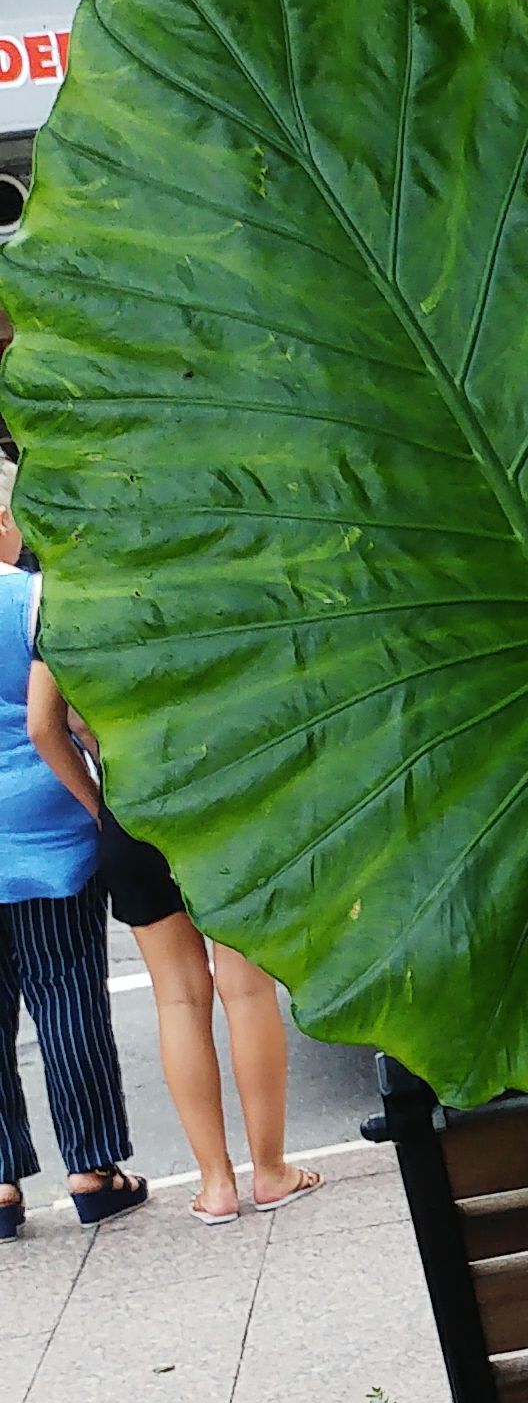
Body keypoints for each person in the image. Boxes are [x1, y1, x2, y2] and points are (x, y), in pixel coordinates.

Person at [25, 669, 318, 1226]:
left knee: (178, 999)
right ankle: (271, 1171)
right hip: (225, 796)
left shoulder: (71, 602)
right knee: (247, 988)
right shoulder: (202, 582)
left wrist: (98, 804)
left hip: (131, 805)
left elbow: (46, 726)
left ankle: (215, 1185)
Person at [0, 468, 144, 1237]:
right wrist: (99, 805)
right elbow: (72, 718)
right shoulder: (30, 601)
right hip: (46, 825)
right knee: (66, 994)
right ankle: (92, 1169)